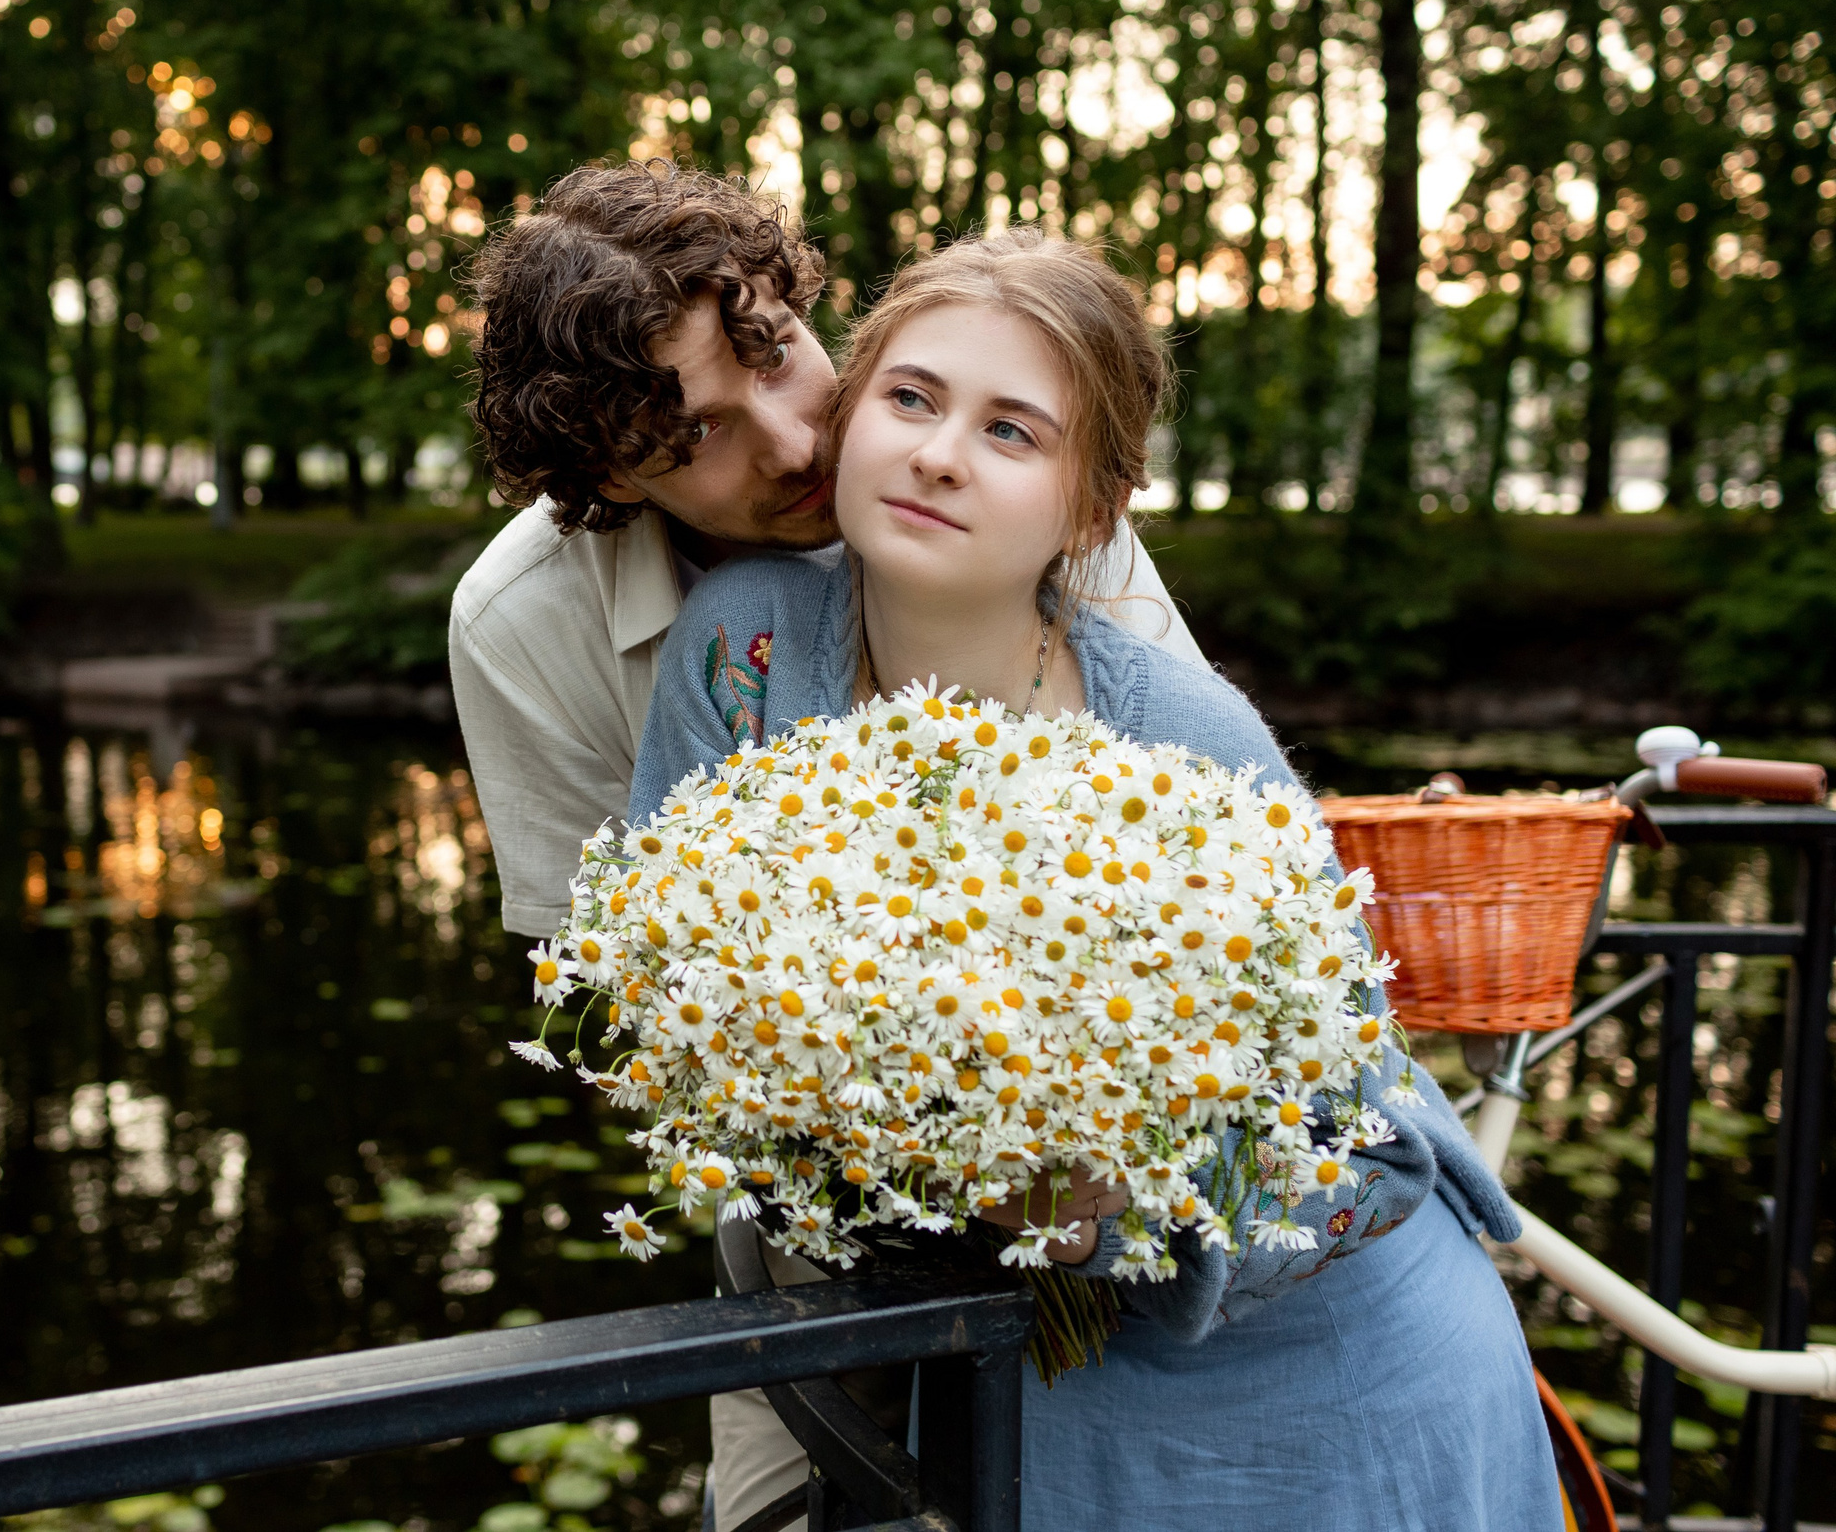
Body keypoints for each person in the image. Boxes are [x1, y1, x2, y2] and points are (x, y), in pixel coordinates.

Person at [628, 229, 1560, 1529]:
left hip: (1322, 1384)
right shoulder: (744, 654)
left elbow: (1376, 1156)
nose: (942, 452)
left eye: (1013, 432)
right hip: (1017, 1374)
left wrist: (1094, 1216)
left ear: (1092, 508)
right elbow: (680, 1002)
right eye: (911, 398)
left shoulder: (1188, 741)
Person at [451, 161, 1202, 951]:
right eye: (699, 431)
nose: (796, 446)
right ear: (611, 470)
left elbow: (1193, 808)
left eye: (775, 356)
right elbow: (608, 970)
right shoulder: (518, 621)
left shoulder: (1021, 501)